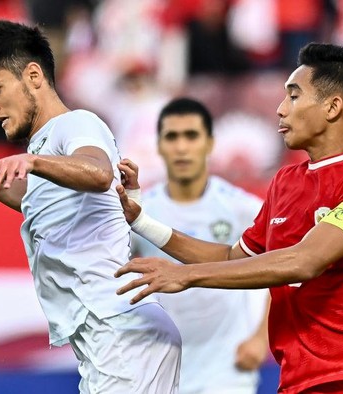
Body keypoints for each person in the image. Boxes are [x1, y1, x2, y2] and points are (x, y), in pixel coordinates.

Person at [115, 43, 343, 393]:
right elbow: (233, 258)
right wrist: (143, 222)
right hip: (300, 380)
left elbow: (306, 261)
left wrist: (186, 276)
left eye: (294, 97)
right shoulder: (285, 182)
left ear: (333, 107)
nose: (280, 110)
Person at [0, 20, 181, 393]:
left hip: (119, 331)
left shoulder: (76, 124)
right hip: (109, 335)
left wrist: (33, 163)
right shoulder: (45, 148)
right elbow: (32, 199)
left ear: (33, 76)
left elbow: (99, 172)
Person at [131, 97, 270, 394]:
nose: (181, 147)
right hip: (158, 366)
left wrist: (261, 337)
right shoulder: (140, 213)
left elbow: (282, 268)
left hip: (227, 367)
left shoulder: (241, 208)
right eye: (172, 137)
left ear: (209, 143)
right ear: (159, 146)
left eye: (191, 136)